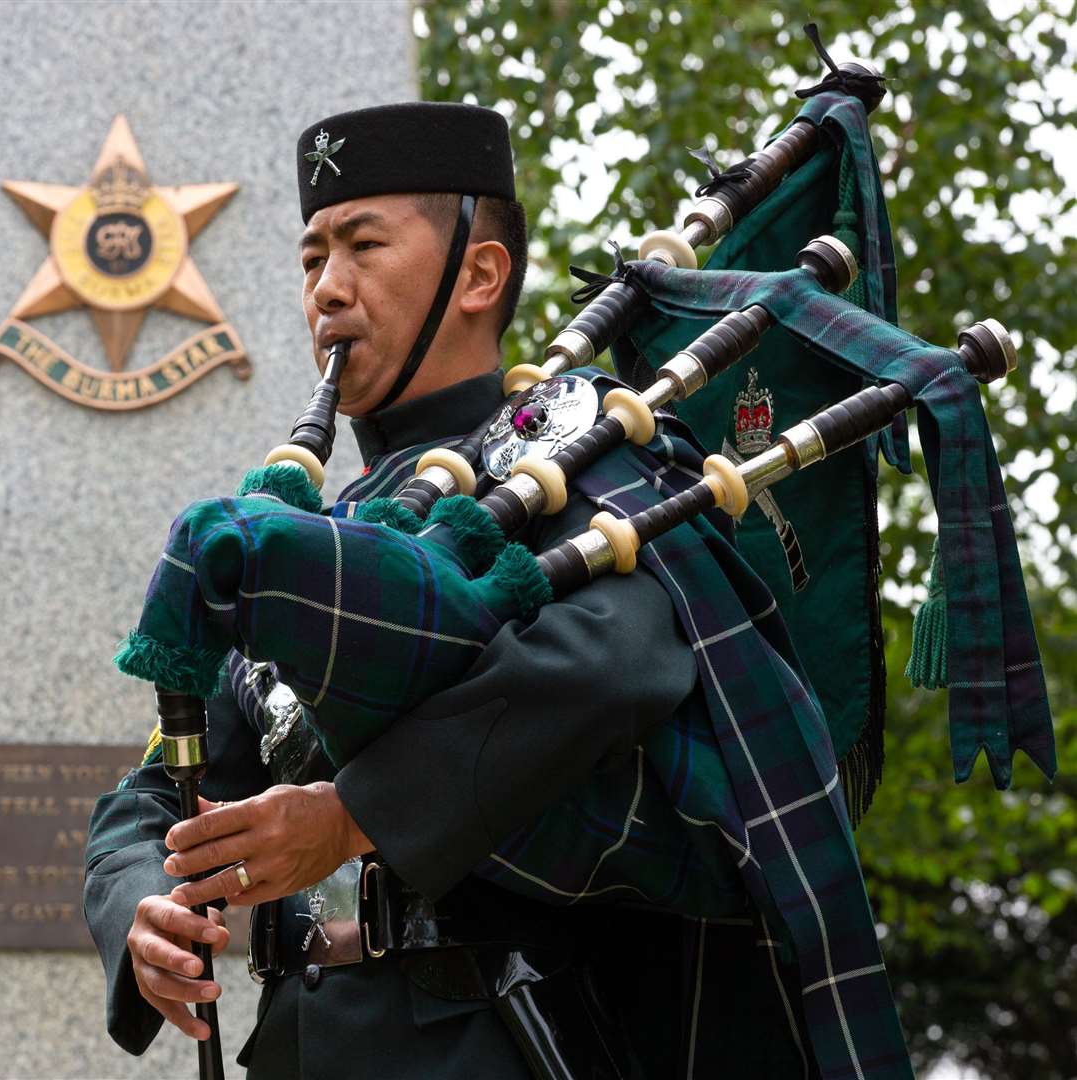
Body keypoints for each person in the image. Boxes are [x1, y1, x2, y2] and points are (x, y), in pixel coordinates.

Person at [85, 102, 831, 1078]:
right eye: (312, 259)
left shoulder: (589, 455)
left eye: (362, 245)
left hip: (502, 1037)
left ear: (479, 274)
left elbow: (607, 663)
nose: (328, 290)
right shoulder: (309, 539)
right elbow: (156, 789)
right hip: (300, 1049)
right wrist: (144, 910)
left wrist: (355, 818)